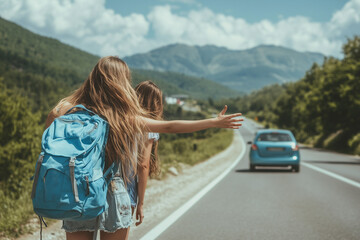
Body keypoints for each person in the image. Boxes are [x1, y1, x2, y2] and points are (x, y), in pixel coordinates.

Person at [44, 56, 243, 240]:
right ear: (121, 83)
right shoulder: (122, 118)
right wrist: (213, 122)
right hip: (113, 190)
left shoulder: (64, 110)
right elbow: (169, 126)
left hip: (77, 190)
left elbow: (48, 149)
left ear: (93, 78)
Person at [126, 81, 163, 227]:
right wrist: (140, 203)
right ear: (156, 104)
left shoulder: (121, 118)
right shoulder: (148, 126)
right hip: (126, 188)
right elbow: (143, 165)